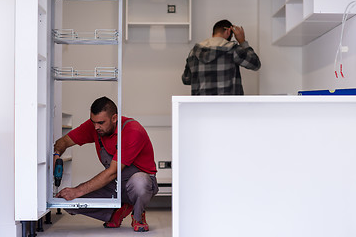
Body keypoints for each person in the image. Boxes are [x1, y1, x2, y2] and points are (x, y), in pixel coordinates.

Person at [53, 96, 158, 232]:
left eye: (101, 122)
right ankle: (116, 213)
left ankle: (138, 216)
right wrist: (56, 155)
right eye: (93, 122)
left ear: (114, 118)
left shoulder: (132, 130)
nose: (96, 127)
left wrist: (77, 190)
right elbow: (64, 141)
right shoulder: (95, 126)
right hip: (115, 182)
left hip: (139, 182)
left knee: (139, 182)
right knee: (68, 202)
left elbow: (112, 171)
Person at [182, 19, 261, 95]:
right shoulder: (233, 50)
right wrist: (242, 41)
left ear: (213, 34)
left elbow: (186, 80)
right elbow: (255, 64)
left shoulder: (194, 52)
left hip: (201, 107)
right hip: (229, 107)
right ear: (228, 31)